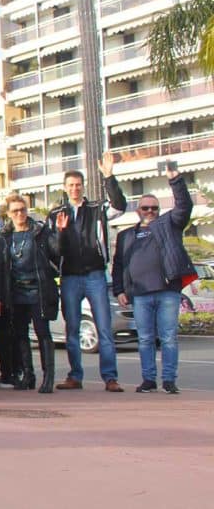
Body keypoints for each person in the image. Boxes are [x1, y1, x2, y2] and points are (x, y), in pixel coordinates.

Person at [48, 152, 127, 392]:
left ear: (83, 187)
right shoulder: (55, 215)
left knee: (104, 327)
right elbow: (54, 250)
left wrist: (109, 177)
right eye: (70, 185)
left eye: (78, 185)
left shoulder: (96, 209)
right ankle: (75, 376)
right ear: (64, 187)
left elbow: (120, 206)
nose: (74, 189)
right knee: (72, 328)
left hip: (95, 275)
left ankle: (110, 377)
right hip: (70, 277)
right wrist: (60, 232)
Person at [112, 167, 195, 394]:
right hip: (139, 294)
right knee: (145, 339)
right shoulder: (126, 235)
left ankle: (169, 380)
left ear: (159, 210)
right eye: (145, 208)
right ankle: (148, 380)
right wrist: (119, 289)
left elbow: (185, 207)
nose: (150, 211)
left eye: (154, 208)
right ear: (138, 210)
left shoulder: (169, 224)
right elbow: (119, 264)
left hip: (167, 291)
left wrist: (175, 180)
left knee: (168, 338)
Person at [0, 194, 61, 393]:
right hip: (16, 291)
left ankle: (48, 377)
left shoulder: (40, 232)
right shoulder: (5, 237)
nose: (20, 214)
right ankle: (28, 375)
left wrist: (60, 233)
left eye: (23, 210)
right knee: (20, 334)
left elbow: (58, 252)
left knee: (43, 333)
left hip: (39, 290)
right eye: (15, 211)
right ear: (8, 214)